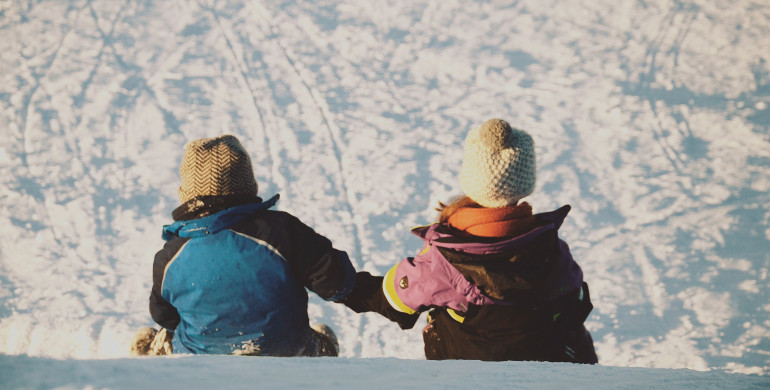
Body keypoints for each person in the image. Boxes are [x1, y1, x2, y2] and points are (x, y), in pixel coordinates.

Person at [346, 119, 598, 362]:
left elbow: (392, 299)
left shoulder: (441, 263)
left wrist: (339, 283)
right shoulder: (554, 252)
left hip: (466, 369)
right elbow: (575, 305)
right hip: (540, 362)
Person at [130, 135, 355, 357]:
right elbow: (336, 281)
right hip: (285, 352)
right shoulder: (281, 232)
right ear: (248, 184)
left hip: (202, 357)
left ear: (188, 194)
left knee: (171, 332)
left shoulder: (171, 255)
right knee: (315, 341)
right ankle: (324, 350)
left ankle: (156, 350)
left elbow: (164, 316)